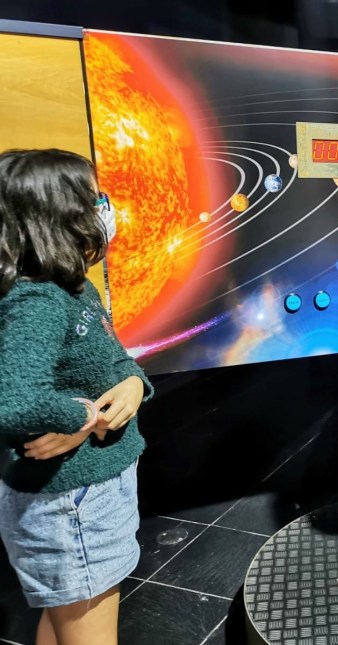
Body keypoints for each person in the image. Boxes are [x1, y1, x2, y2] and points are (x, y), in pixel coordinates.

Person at [0, 149, 153, 645]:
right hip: (71, 504)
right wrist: (82, 415)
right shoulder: (35, 300)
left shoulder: (73, 285)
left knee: (62, 619)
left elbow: (112, 358)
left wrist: (135, 383)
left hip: (89, 494)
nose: (103, 209)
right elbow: (14, 400)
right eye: (92, 199)